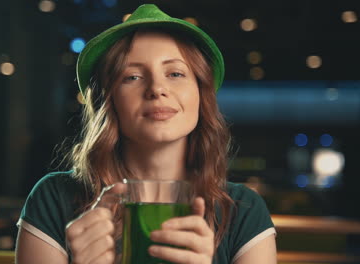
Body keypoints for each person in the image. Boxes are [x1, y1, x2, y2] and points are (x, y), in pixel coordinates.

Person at [15, 4, 276, 264]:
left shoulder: (245, 210)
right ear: (109, 102)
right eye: (133, 77)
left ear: (201, 94)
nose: (157, 89)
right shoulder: (54, 197)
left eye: (175, 73)